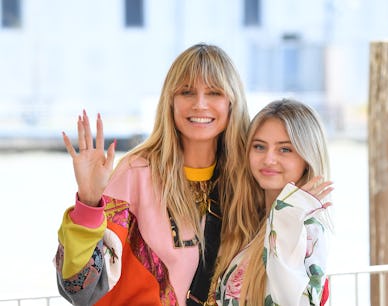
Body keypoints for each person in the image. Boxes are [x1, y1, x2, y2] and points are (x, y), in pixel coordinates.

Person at [54, 43, 250, 306]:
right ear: (170, 100)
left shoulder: (247, 180)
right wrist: (88, 204)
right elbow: (80, 289)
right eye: (186, 92)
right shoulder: (136, 174)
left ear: (232, 102)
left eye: (214, 92)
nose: (200, 104)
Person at [210, 99, 334, 305]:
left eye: (284, 149)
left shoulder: (308, 229)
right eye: (259, 146)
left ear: (307, 158)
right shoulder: (251, 224)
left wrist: (286, 214)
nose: (268, 159)